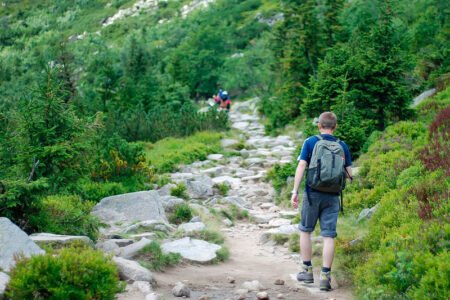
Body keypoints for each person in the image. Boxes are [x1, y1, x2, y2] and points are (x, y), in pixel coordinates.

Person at [290, 112, 352, 291]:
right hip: (333, 196)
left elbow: (302, 165)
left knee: (306, 231)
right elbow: (349, 174)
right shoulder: (343, 145)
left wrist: (295, 191)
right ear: (335, 126)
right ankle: (325, 276)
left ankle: (307, 271)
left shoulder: (310, 142)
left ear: (319, 125)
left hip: (312, 193)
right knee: (328, 235)